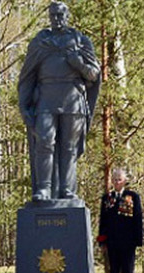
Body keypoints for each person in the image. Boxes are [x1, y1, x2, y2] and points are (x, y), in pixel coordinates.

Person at [17, 1, 100, 201]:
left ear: (67, 16)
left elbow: (93, 74)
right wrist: (24, 105)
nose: (57, 19)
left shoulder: (80, 41)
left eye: (60, 15)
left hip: (73, 99)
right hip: (46, 98)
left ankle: (67, 189)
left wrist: (78, 63)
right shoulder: (40, 42)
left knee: (69, 147)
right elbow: (28, 75)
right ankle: (44, 188)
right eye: (53, 15)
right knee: (44, 141)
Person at [97, 169, 143, 273]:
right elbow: (103, 221)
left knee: (127, 272)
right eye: (115, 179)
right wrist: (102, 241)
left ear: (124, 181)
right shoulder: (107, 198)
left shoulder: (132, 196)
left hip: (128, 242)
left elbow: (137, 219)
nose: (116, 182)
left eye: (119, 179)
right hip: (112, 242)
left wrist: (138, 240)